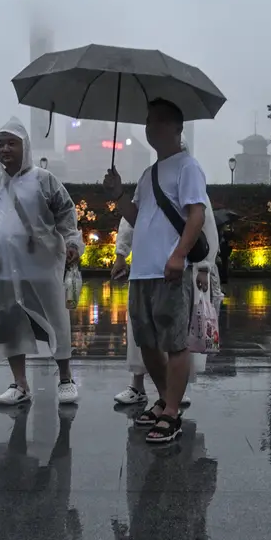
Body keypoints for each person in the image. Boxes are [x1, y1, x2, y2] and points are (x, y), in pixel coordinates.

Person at [103, 98, 208, 444]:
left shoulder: (187, 167)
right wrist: (118, 195)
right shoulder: (148, 175)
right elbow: (136, 219)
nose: (151, 127)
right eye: (149, 121)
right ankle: (165, 400)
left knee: (175, 342)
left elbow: (196, 215)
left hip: (170, 270)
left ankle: (172, 412)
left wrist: (178, 255)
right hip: (142, 272)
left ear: (177, 128)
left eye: (159, 121)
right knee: (147, 342)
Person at [0, 118, 82, 407]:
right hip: (5, 267)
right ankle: (20, 384)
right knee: (9, 322)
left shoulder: (44, 180)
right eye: (0, 144)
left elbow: (66, 213)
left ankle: (66, 378)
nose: (5, 149)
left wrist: (71, 243)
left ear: (25, 147)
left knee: (55, 317)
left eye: (11, 143)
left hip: (41, 265)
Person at [110, 201, 221, 407]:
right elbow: (129, 221)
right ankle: (137, 384)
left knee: (177, 335)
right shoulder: (145, 184)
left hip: (181, 270)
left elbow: (206, 226)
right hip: (146, 269)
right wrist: (121, 254)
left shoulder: (189, 180)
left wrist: (204, 266)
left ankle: (176, 389)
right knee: (142, 333)